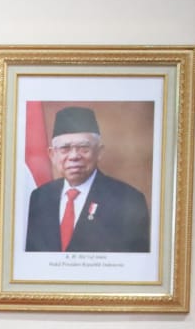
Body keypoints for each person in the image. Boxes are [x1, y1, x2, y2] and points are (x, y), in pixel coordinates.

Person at [24, 105, 150, 253]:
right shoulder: (39, 197)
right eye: (65, 148)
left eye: (84, 148)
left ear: (99, 152)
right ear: (52, 155)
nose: (74, 156)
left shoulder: (128, 201)